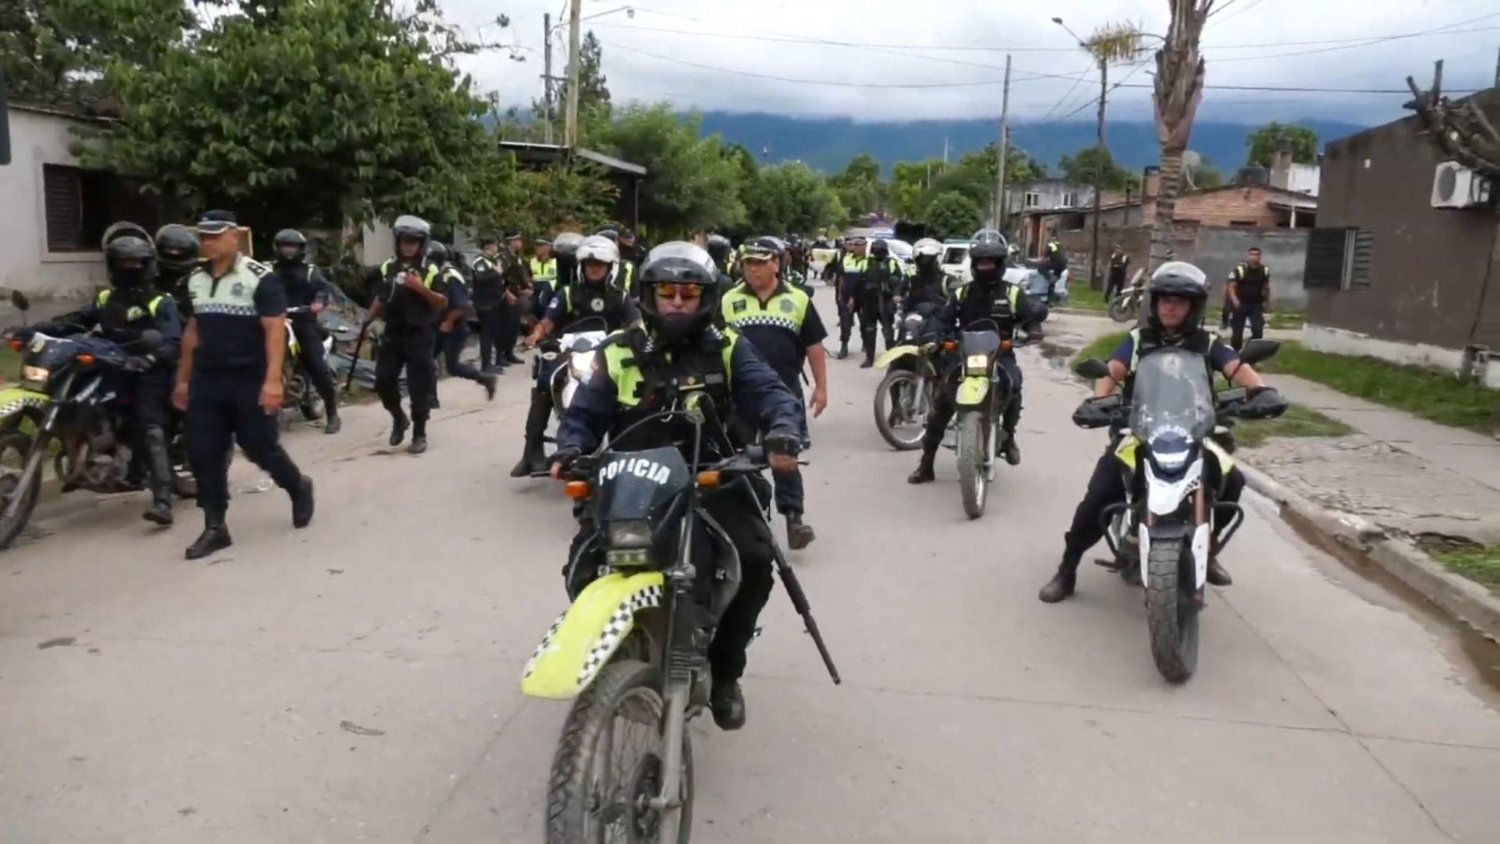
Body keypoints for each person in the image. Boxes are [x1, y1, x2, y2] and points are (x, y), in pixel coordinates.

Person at [550, 241, 804, 730]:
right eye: (667, 291)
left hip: (714, 478)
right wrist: (570, 449)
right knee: (583, 568)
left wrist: (782, 431)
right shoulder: (619, 350)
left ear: (705, 298)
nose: (677, 302)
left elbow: (772, 393)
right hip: (633, 485)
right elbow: (584, 413)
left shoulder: (727, 346)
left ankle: (727, 675)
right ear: (648, 294)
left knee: (754, 562)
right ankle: (617, 651)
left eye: (688, 293)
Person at [1038, 261, 1283, 603]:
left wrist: (1261, 391)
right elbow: (1112, 371)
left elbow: (1236, 367)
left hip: (1195, 433)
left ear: (1192, 307)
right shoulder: (1139, 339)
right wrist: (1100, 399)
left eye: (1179, 300)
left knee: (1233, 482)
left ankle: (1208, 548)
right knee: (1099, 496)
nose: (1170, 306)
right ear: (1154, 303)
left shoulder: (1207, 342)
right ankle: (1067, 568)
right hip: (1140, 432)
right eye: (1164, 299)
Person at [172, 210, 314, 560]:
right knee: (203, 453)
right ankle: (215, 526)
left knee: (259, 446)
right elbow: (193, 330)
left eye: (216, 236)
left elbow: (274, 329)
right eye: (204, 237)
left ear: (234, 237)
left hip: (249, 377)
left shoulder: (259, 278)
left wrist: (272, 381)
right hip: (208, 379)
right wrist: (183, 379)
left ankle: (297, 485)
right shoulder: (195, 279)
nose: (208, 242)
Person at [30, 229, 184, 525]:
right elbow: (76, 321)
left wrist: (149, 358)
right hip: (112, 364)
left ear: (148, 265)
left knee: (150, 425)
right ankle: (87, 457)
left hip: (148, 370)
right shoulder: (104, 298)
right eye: (122, 263)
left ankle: (162, 500)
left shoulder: (160, 301)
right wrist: (38, 330)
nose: (129, 269)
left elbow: (172, 341)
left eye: (135, 263)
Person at [720, 236, 829, 549]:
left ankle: (794, 518)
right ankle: (738, 517)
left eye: (760, 262)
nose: (753, 269)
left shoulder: (797, 299)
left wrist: (821, 388)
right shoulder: (728, 300)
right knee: (733, 454)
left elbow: (814, 346)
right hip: (738, 394)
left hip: (783, 392)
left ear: (776, 264)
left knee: (785, 455)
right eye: (748, 263)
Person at [907, 241, 1034, 483]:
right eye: (981, 263)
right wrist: (936, 336)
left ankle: (1009, 438)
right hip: (964, 353)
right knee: (942, 402)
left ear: (999, 265)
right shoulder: (962, 293)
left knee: (1014, 385)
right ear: (974, 266)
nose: (985, 267)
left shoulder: (1012, 293)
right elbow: (942, 319)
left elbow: (1029, 318)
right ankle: (926, 464)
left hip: (1000, 353)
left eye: (991, 263)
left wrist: (1032, 330)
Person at [512, 235, 639, 477]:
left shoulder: (621, 296)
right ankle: (532, 451)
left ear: (610, 268)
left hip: (609, 353)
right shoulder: (569, 293)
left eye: (599, 264)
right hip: (571, 350)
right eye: (590, 264)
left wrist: (635, 336)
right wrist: (536, 336)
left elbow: (636, 323)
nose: (594, 269)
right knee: (545, 382)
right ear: (582, 266)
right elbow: (548, 320)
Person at [361, 214, 449, 455]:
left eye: (414, 242)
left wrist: (419, 288)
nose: (409, 246)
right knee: (382, 381)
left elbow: (442, 302)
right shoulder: (389, 266)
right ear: (398, 242)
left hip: (419, 334)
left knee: (418, 386)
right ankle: (399, 418)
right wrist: (369, 317)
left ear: (422, 244)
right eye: (405, 241)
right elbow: (381, 296)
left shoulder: (430, 269)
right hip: (393, 333)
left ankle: (419, 433)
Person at [268, 229, 342, 434]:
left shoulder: (310, 271)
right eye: (285, 247)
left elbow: (322, 289)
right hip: (275, 323)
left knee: (317, 366)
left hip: (303, 322)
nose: (288, 251)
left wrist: (318, 302)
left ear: (300, 249)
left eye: (292, 247)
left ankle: (332, 411)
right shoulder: (268, 271)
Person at [427, 241, 497, 408]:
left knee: (452, 366)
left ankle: (485, 378)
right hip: (440, 324)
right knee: (427, 359)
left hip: (453, 327)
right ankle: (430, 398)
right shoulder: (441, 273)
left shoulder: (450, 275)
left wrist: (449, 322)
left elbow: (463, 305)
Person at [848, 239, 901, 368]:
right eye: (875, 250)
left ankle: (891, 360)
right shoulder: (867, 262)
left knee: (888, 332)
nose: (877, 253)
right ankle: (869, 359)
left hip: (886, 302)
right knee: (869, 331)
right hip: (869, 302)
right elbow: (858, 281)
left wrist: (895, 294)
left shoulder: (891, 263)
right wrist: (853, 298)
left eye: (880, 250)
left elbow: (899, 281)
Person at [469, 237, 508, 373]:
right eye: (494, 246)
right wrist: (495, 272)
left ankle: (490, 362)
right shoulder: (479, 261)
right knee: (486, 334)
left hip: (494, 301)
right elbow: (480, 278)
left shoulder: (490, 261)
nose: (496, 249)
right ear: (489, 247)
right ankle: (486, 365)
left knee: (492, 333)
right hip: (485, 303)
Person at [829, 236, 868, 359]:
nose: (855, 247)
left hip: (863, 297)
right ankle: (844, 347)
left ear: (865, 246)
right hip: (847, 296)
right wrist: (840, 294)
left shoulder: (869, 261)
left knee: (865, 322)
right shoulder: (846, 259)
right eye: (854, 245)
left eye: (858, 245)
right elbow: (841, 277)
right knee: (845, 322)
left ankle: (866, 344)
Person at [1227, 246, 1272, 350]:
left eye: (1257, 255)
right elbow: (1231, 285)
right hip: (1240, 304)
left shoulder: (1263, 270)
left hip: (1255, 305)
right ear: (1248, 256)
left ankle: (1250, 352)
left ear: (1260, 257)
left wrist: (1267, 302)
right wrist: (1234, 299)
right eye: (1252, 254)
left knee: (1258, 330)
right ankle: (1235, 354)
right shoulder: (1241, 269)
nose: (1254, 257)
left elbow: (1266, 287)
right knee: (1237, 333)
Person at [497, 232, 531, 367]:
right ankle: (500, 356)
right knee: (504, 326)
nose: (521, 243)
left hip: (517, 292)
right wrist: (507, 293)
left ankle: (509, 353)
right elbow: (499, 277)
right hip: (507, 293)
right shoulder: (503, 257)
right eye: (518, 240)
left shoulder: (516, 257)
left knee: (514, 326)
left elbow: (520, 275)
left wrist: (527, 287)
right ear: (511, 241)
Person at [154, 224, 202, 316]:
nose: (174, 253)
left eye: (179, 251)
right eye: (170, 250)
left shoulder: (199, 282)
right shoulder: (149, 280)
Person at [900, 238, 948, 316]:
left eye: (930, 259)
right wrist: (897, 295)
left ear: (937, 259)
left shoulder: (944, 277)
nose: (926, 262)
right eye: (923, 259)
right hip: (914, 314)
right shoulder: (911, 275)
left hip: (937, 315)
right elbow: (901, 287)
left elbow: (954, 297)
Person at [529, 238, 558, 321]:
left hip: (551, 290)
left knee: (544, 303)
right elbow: (529, 276)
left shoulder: (556, 261)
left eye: (540, 245)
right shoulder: (532, 261)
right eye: (536, 245)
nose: (537, 248)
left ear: (549, 247)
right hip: (536, 289)